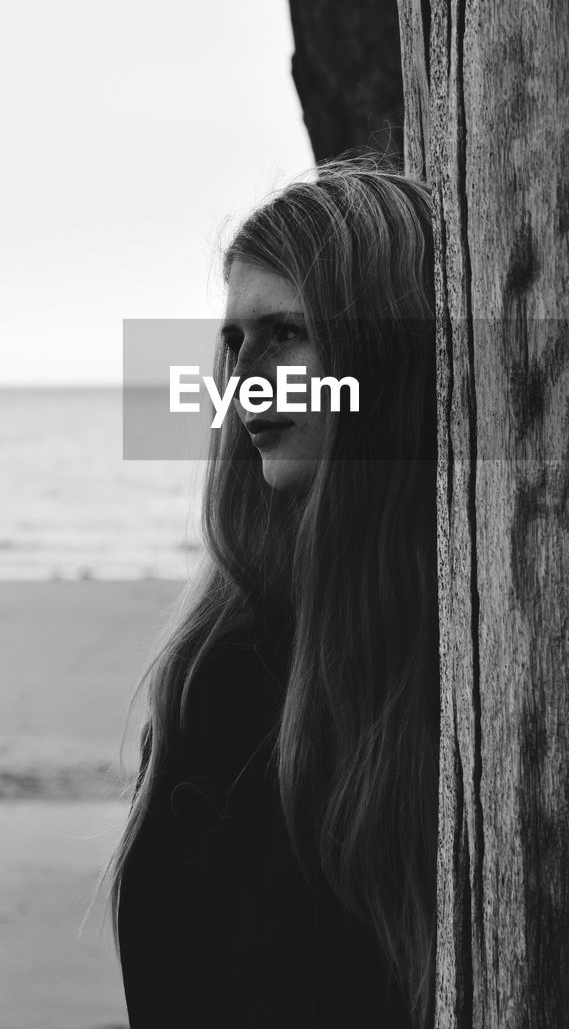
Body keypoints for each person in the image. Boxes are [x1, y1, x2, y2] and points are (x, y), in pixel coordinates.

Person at [109, 156, 439, 1028]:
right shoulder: (220, 682)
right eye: (232, 341)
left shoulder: (492, 647)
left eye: (286, 330)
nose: (245, 373)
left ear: (388, 354)